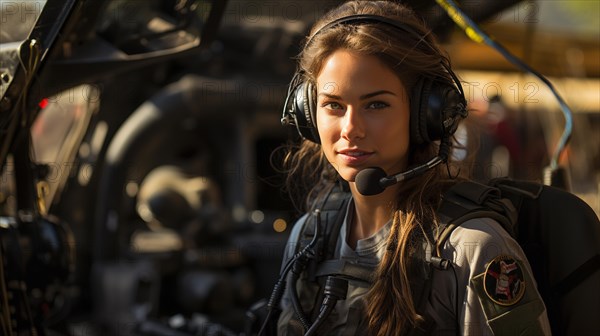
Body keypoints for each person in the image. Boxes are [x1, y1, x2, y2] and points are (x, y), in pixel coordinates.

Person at [274, 1, 551, 335]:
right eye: (333, 105)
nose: (350, 128)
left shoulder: (473, 249)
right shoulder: (309, 236)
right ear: (307, 115)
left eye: (376, 104)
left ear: (427, 114)